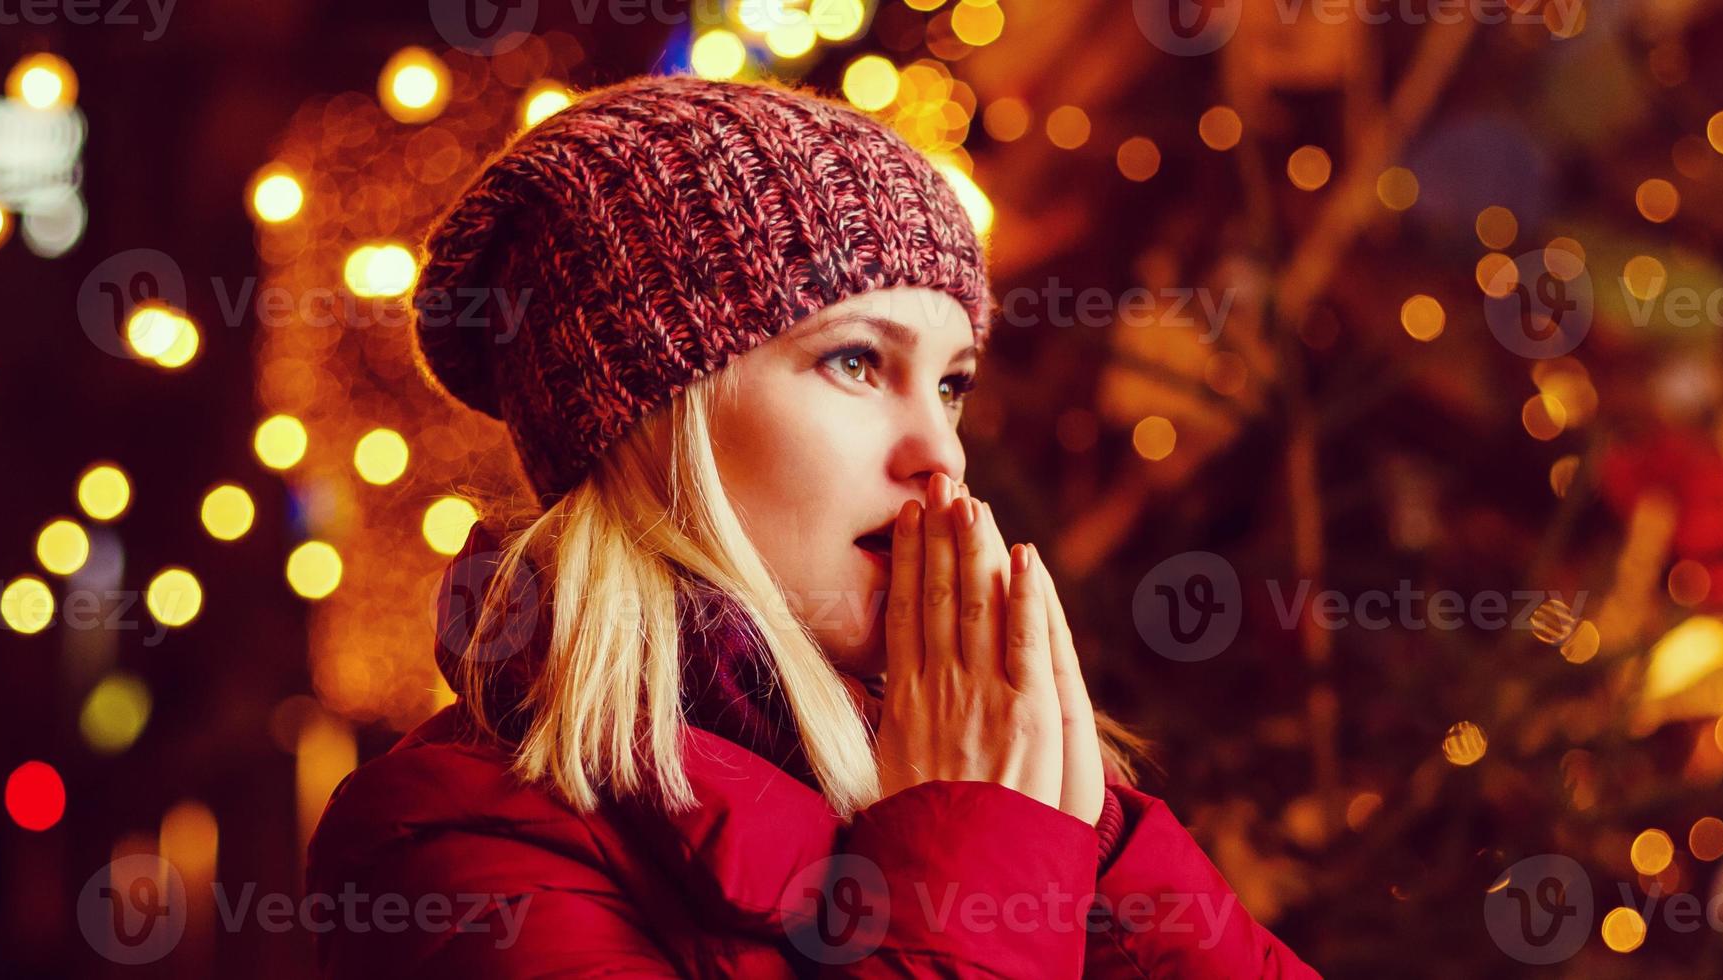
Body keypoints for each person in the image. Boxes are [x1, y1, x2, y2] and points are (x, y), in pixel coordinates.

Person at [305, 74, 1318, 978]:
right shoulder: (444, 836)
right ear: (653, 417)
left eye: (952, 382)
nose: (941, 452)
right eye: (855, 361)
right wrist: (978, 835)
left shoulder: (1005, 755)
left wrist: (1061, 808)